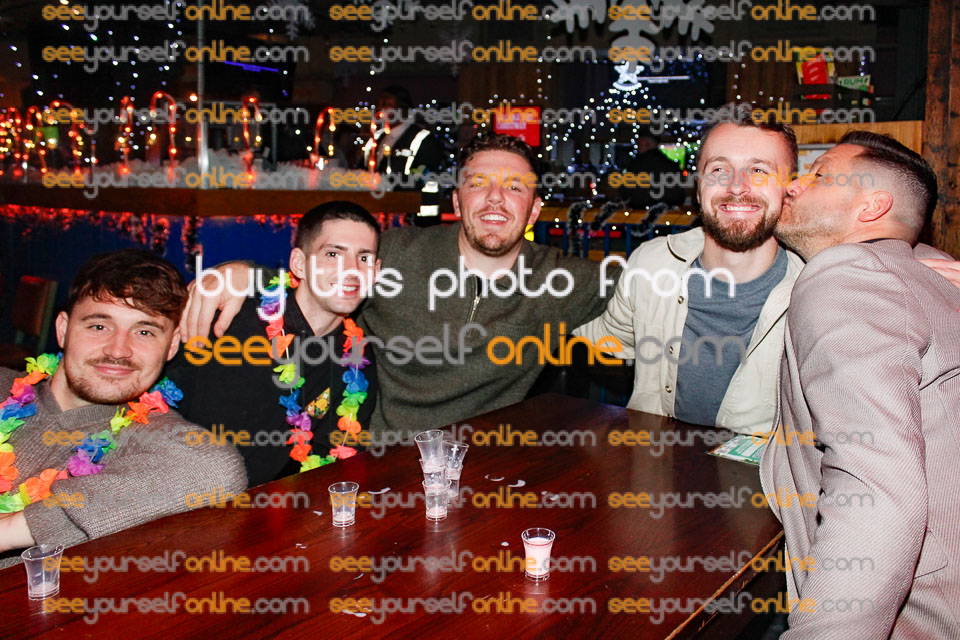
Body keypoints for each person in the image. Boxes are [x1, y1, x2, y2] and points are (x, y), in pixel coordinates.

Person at [180, 133, 618, 437]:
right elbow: (325, 277)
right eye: (478, 184)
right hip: (377, 457)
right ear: (456, 199)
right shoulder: (397, 253)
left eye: (515, 187)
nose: (495, 199)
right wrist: (248, 272)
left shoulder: (563, 279)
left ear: (535, 209)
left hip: (484, 466)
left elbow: (643, 282)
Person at [759, 131, 960, 637]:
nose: (792, 186)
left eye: (819, 174)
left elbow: (877, 483)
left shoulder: (847, 272)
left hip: (910, 611)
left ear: (872, 207)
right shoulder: (928, 276)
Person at [0, 250, 245, 564]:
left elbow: (216, 470)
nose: (118, 351)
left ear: (171, 345)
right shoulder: (6, 387)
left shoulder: (149, 436)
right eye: (99, 326)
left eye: (144, 332)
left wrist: (10, 530)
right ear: (63, 330)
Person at [576, 116, 804, 434]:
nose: (737, 187)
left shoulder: (817, 288)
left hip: (765, 467)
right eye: (719, 170)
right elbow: (606, 339)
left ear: (789, 190)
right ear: (698, 189)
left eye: (759, 171)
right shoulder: (651, 264)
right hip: (653, 461)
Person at [164, 202, 380, 487]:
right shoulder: (229, 319)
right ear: (299, 264)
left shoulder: (357, 363)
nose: (352, 270)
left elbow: (332, 460)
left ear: (376, 271)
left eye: (364, 258)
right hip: (171, 489)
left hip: (265, 506)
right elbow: (149, 403)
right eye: (333, 254)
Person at [363, 85, 446, 227]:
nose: (380, 109)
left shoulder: (423, 139)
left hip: (415, 220)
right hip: (380, 217)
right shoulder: (377, 138)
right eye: (379, 104)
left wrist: (388, 184)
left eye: (387, 104)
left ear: (403, 109)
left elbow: (423, 175)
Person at [617, 128, 686, 209]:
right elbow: (679, 196)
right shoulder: (670, 164)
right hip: (666, 212)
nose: (637, 146)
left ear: (647, 143)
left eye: (639, 143)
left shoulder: (637, 164)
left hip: (640, 212)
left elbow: (625, 192)